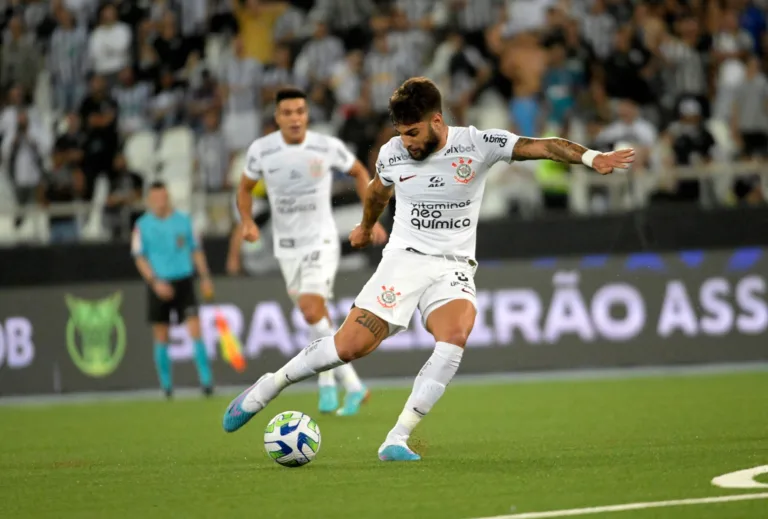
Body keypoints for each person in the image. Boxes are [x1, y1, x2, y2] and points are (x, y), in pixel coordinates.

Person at [222, 77, 635, 460]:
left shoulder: (477, 143)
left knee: (455, 336)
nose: (406, 142)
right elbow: (377, 193)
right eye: (401, 133)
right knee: (348, 347)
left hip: (454, 266)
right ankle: (271, 385)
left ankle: (397, 437)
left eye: (413, 133)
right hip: (403, 260)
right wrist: (365, 227)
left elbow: (543, 146)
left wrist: (592, 157)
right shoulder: (392, 153)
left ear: (437, 121)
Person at [233, 86, 388, 416]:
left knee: (310, 308)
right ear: (277, 117)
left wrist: (369, 219)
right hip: (287, 249)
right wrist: (246, 220)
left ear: (306, 115)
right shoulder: (262, 150)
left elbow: (360, 172)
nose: (295, 118)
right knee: (316, 318)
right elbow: (244, 188)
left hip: (321, 241)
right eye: (287, 113)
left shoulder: (325, 146)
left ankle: (339, 385)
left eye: (300, 112)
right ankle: (344, 385)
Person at [131, 182, 215, 398]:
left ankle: (206, 382)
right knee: (161, 335)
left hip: (184, 280)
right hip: (159, 282)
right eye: (155, 198)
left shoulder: (184, 221)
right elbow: (139, 257)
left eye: (163, 197)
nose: (160, 202)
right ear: (149, 200)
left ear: (168, 197)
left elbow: (196, 250)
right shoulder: (142, 226)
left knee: (195, 330)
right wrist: (155, 282)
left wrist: (205, 277)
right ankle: (166, 386)